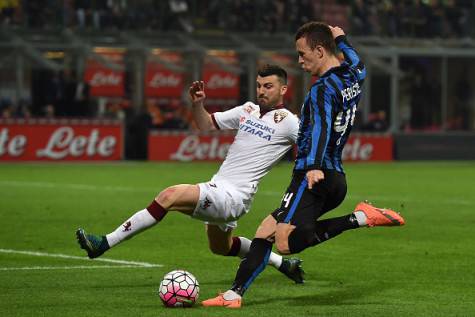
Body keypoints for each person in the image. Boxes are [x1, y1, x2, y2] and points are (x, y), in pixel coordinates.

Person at [202, 22, 405, 309]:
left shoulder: (322, 89)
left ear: (320, 51)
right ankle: (233, 296)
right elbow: (359, 63)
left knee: (285, 242)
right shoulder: (353, 76)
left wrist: (312, 165)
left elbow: (320, 127)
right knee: (266, 231)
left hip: (315, 175)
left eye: (302, 53)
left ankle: (359, 218)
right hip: (334, 174)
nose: (299, 61)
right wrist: (343, 40)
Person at [76, 64, 305, 283]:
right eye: (259, 85)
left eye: (268, 86)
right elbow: (205, 124)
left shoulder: (290, 122)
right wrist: (197, 104)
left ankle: (104, 243)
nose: (261, 91)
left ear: (283, 89)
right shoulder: (248, 110)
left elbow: (312, 146)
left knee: (169, 196)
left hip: (234, 196)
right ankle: (284, 264)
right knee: (221, 248)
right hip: (221, 187)